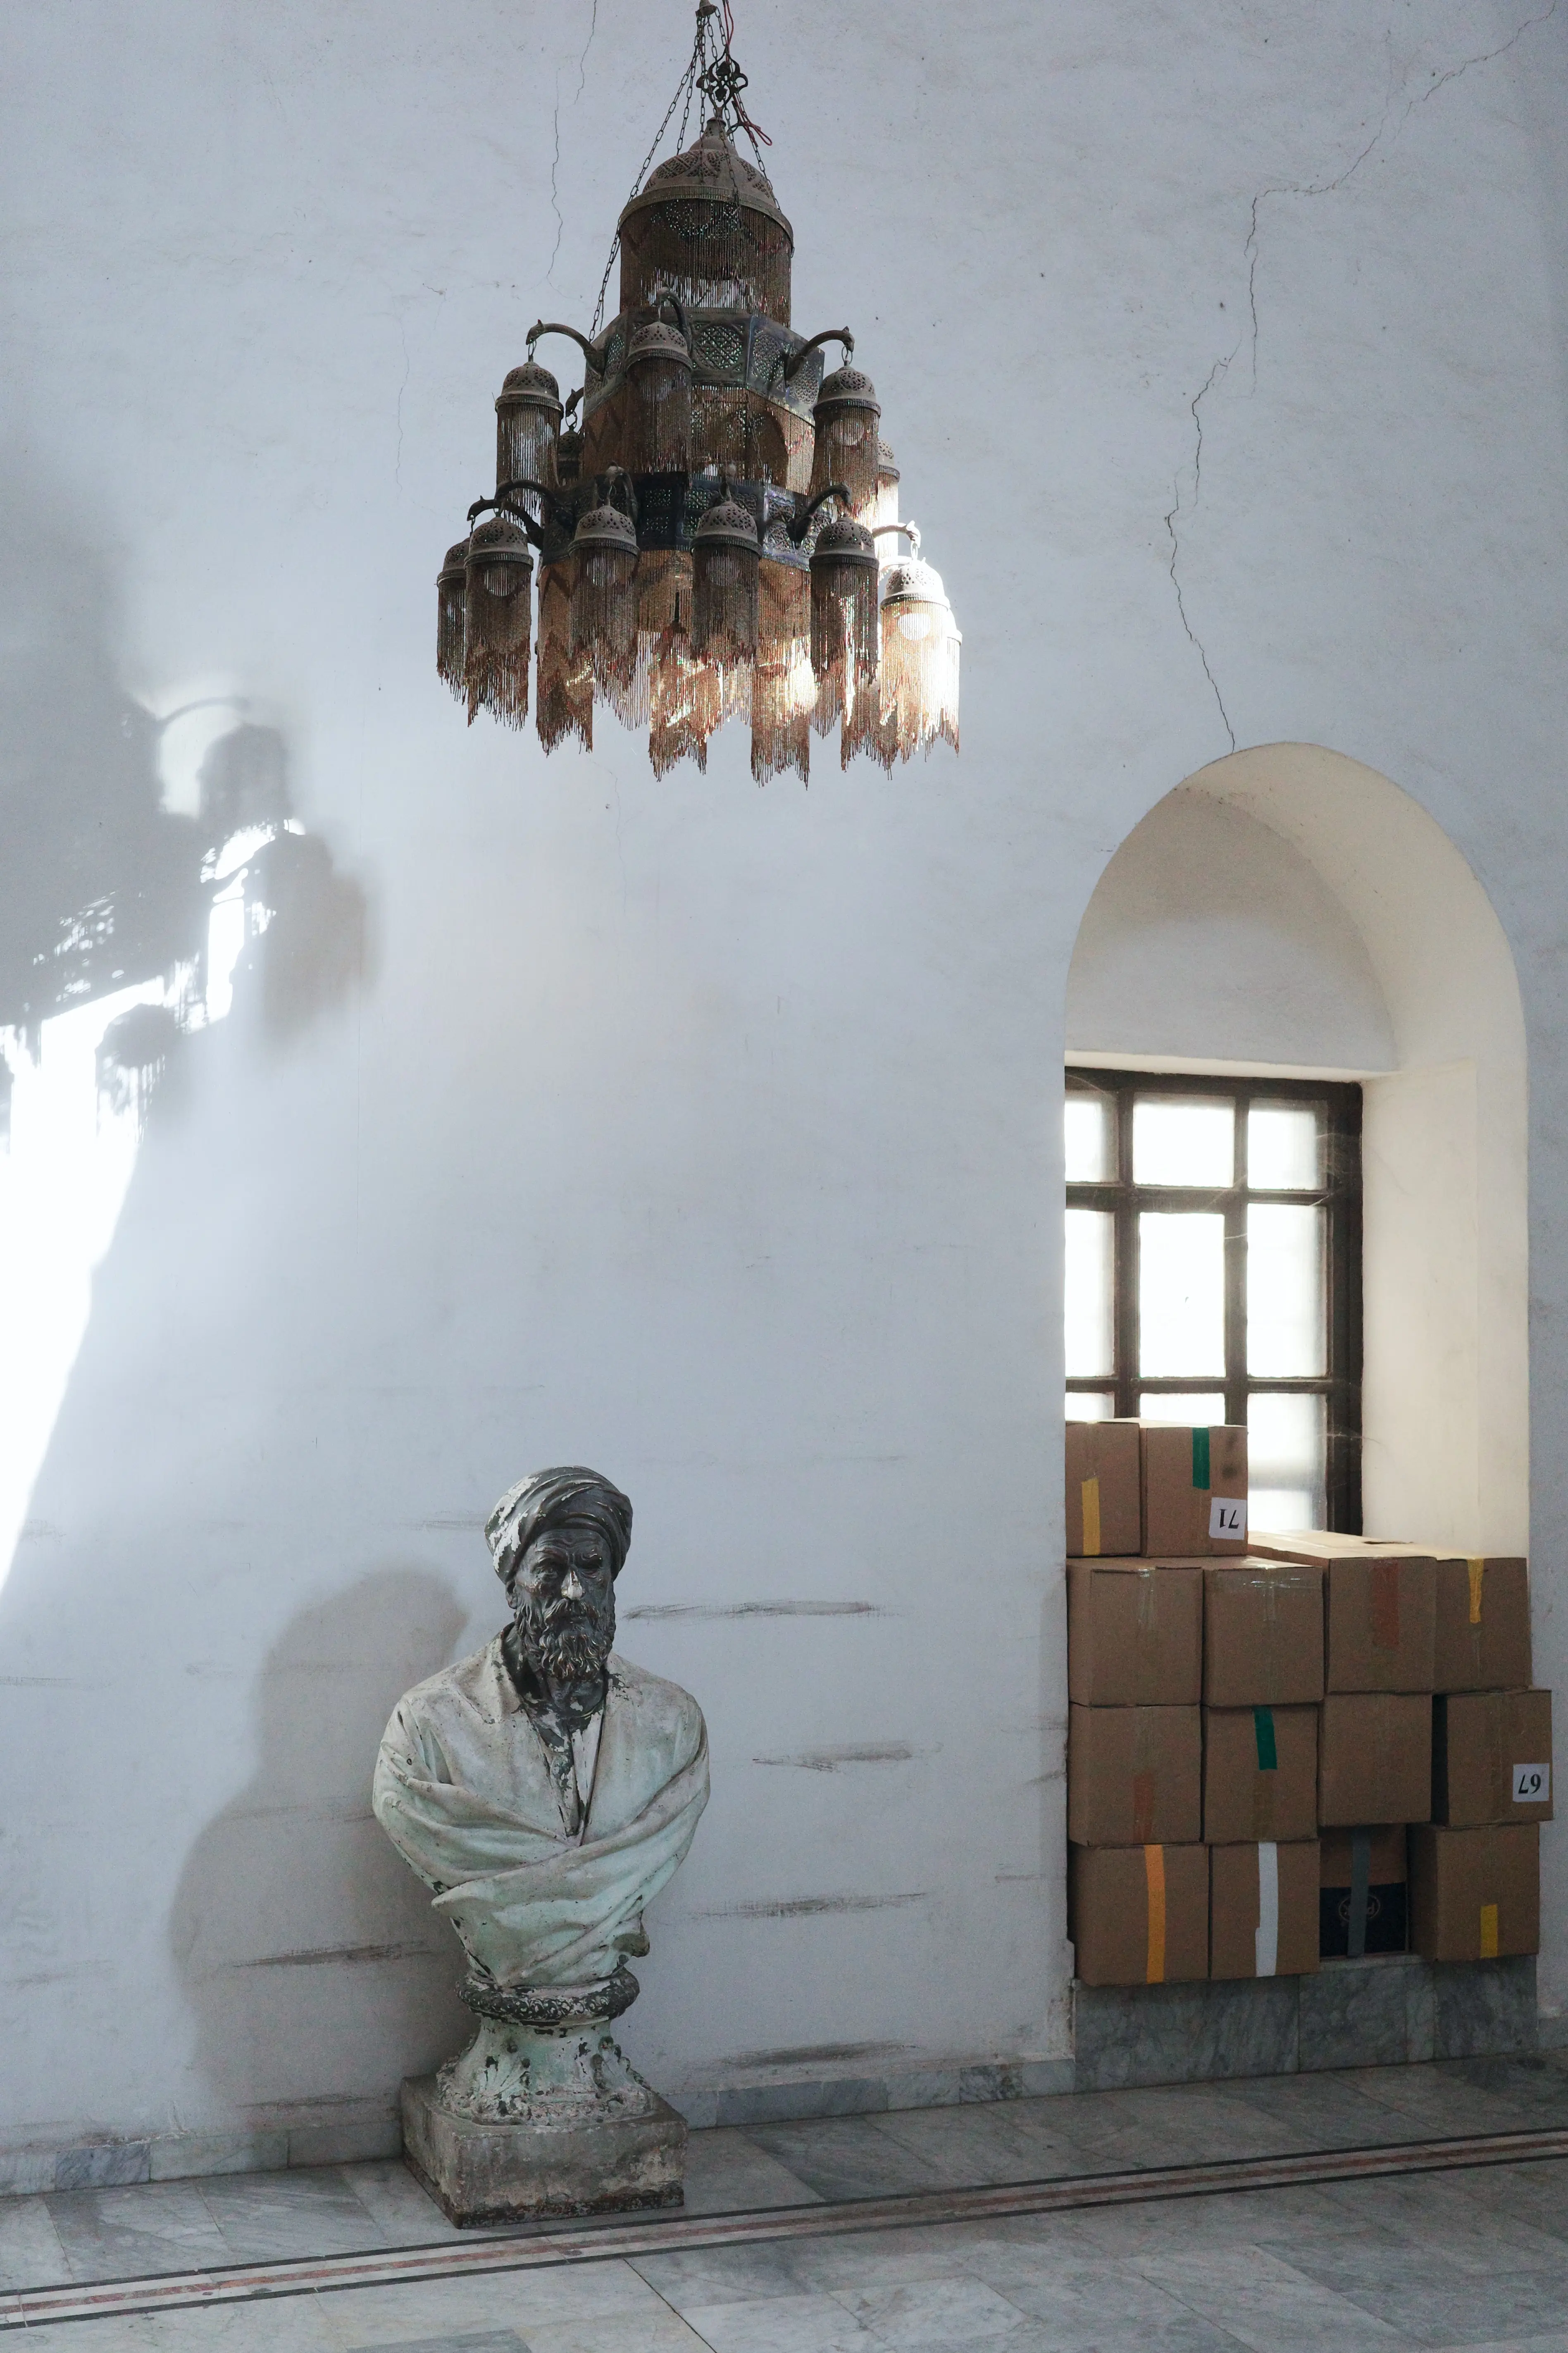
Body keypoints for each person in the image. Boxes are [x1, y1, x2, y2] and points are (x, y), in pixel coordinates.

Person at [373, 1466, 708, 1999]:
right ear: (513, 1585)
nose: (574, 1590)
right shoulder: (428, 1727)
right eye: (550, 1569)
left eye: (593, 1567)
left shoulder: (672, 1724)